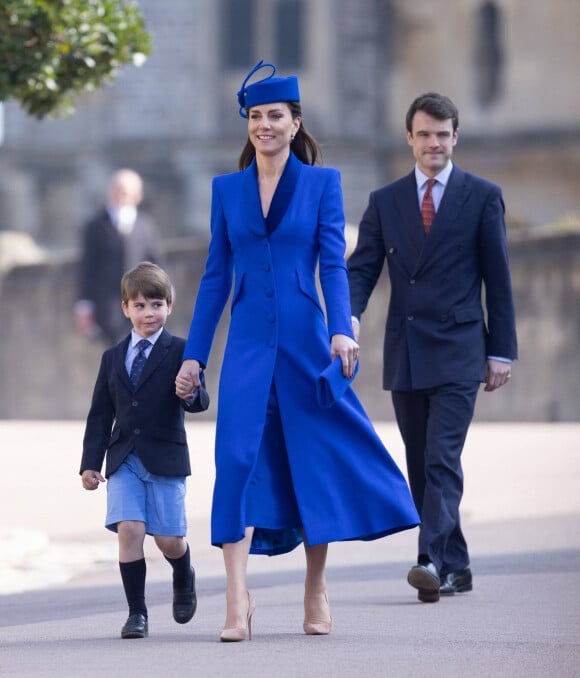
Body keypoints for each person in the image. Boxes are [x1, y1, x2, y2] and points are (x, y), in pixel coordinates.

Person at [175, 61, 419, 642]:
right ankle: (237, 599)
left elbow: (333, 262)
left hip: (310, 343)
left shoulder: (322, 183)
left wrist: (342, 328)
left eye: (275, 116)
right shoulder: (225, 189)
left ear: (295, 121)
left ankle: (315, 586)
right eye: (255, 117)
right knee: (235, 462)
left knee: (310, 464)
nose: (264, 125)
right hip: (249, 348)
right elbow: (214, 279)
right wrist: (195, 355)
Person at [347, 92, 518, 603]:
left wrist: (501, 350)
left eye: (442, 134)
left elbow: (499, 279)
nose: (433, 143)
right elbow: (362, 268)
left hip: (461, 349)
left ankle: (428, 560)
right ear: (410, 138)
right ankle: (456, 565)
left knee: (442, 458)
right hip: (407, 349)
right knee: (420, 463)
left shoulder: (482, 196)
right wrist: (347, 317)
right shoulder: (386, 200)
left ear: (455, 138)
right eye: (424, 134)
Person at [80, 261, 209, 639]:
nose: (148, 313)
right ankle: (137, 613)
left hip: (166, 458)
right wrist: (90, 463)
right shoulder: (112, 357)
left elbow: (199, 401)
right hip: (124, 459)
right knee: (130, 529)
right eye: (139, 305)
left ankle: (183, 571)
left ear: (169, 305)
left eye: (156, 304)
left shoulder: (183, 350)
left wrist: (192, 391)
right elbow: (100, 414)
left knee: (168, 539)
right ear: (125, 309)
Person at [75, 168, 165, 345]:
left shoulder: (145, 225)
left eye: (126, 192)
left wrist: (167, 293)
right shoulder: (95, 226)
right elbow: (88, 268)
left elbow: (157, 262)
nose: (121, 196)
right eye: (117, 190)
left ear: (137, 196)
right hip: (109, 306)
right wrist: (84, 306)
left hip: (142, 302)